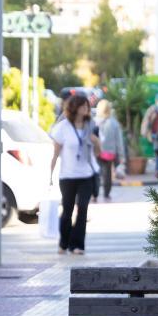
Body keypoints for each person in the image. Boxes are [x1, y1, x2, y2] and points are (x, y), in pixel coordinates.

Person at [49, 95, 101, 255]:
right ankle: (64, 243)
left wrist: (96, 142)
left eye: (87, 106)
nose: (86, 108)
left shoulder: (91, 126)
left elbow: (98, 153)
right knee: (67, 211)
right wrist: (50, 175)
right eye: (83, 106)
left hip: (86, 175)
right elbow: (56, 153)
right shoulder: (63, 127)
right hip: (68, 176)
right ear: (74, 107)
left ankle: (78, 245)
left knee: (83, 209)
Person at [94, 100, 124, 201]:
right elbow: (119, 140)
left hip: (96, 152)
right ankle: (106, 193)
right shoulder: (114, 123)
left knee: (96, 173)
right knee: (107, 174)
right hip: (109, 153)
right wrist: (121, 154)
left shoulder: (94, 121)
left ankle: (95, 193)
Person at [140, 94, 158, 179]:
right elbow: (146, 121)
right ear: (156, 101)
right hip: (155, 135)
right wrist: (144, 132)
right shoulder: (152, 110)